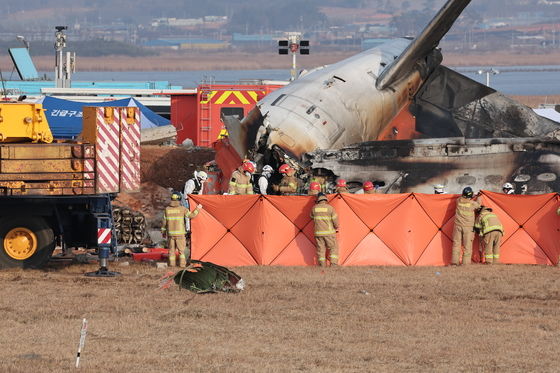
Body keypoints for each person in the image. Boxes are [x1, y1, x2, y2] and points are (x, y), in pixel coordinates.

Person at [161, 192, 203, 267]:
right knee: (181, 251)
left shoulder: (167, 209)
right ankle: (182, 265)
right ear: (179, 200)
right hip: (180, 235)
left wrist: (163, 232)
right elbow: (192, 215)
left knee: (171, 251)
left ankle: (172, 265)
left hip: (170, 234)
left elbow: (164, 222)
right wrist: (198, 209)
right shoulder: (182, 209)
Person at [451, 186, 481, 266]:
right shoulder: (472, 203)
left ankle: (454, 262)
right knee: (467, 246)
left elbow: (464, 198)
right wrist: (478, 196)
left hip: (457, 226)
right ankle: (465, 263)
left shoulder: (458, 201)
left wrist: (472, 195)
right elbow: (478, 205)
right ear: (470, 196)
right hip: (468, 228)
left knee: (456, 244)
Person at [310, 193, 339, 267]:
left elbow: (311, 216)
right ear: (326, 199)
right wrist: (336, 227)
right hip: (329, 233)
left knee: (321, 250)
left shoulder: (314, 208)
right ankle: (333, 264)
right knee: (333, 248)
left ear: (318, 200)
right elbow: (335, 221)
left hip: (318, 233)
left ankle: (322, 265)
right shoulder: (330, 208)